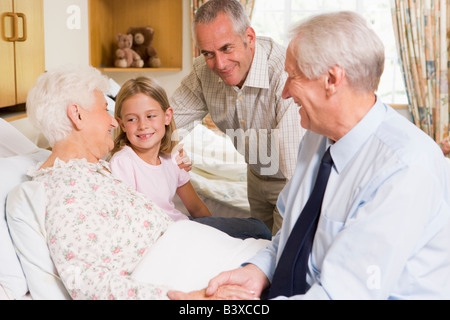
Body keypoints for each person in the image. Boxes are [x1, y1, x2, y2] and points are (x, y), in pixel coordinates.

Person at [169, 11, 450, 300]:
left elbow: (341, 294)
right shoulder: (316, 136)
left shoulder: (404, 170)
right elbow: (291, 237)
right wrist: (257, 271)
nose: (285, 92)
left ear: (332, 79)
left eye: (293, 77)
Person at [25, 65, 260, 300]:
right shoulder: (64, 189)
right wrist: (186, 298)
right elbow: (86, 282)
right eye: (105, 109)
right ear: (77, 115)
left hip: (190, 247)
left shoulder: (93, 171)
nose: (113, 122)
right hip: (177, 273)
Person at [170, 0, 304, 235]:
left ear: (249, 38)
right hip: (255, 173)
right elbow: (168, 123)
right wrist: (163, 154)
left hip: (291, 181)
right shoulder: (203, 71)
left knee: (282, 255)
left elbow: (294, 168)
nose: (219, 64)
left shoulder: (283, 74)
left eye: (226, 48)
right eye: (208, 53)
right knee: (259, 244)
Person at [109, 76, 271, 240]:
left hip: (183, 226)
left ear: (167, 116)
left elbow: (196, 207)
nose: (143, 125)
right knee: (260, 231)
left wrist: (216, 237)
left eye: (150, 116)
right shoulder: (123, 162)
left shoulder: (172, 158)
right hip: (165, 235)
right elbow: (126, 219)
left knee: (259, 227)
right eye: (132, 119)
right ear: (122, 124)